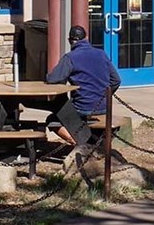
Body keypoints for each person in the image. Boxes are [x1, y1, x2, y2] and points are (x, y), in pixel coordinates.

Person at [45, 25, 121, 163]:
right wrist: (105, 96)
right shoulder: (101, 54)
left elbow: (53, 79)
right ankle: (89, 143)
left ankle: (80, 145)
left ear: (70, 40)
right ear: (86, 38)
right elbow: (116, 80)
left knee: (52, 120)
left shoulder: (70, 57)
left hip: (81, 108)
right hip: (103, 107)